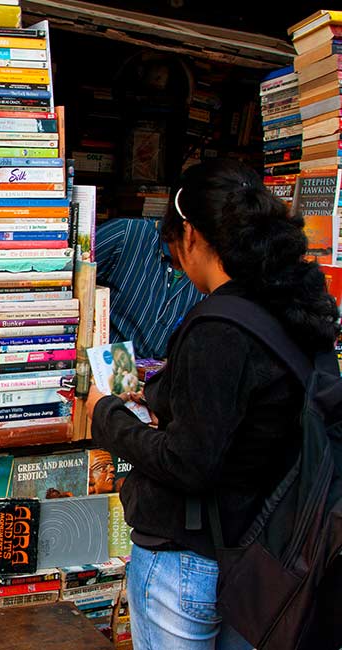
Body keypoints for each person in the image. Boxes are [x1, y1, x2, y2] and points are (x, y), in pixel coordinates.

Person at [87, 158, 339, 649]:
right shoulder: (294, 309)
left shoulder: (218, 327)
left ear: (193, 235)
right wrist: (165, 396)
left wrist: (106, 413)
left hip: (190, 562)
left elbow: (189, 463)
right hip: (263, 559)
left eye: (176, 248)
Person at [96, 216, 206, 359]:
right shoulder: (125, 234)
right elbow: (66, 281)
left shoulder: (209, 274)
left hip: (157, 378)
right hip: (97, 369)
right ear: (190, 230)